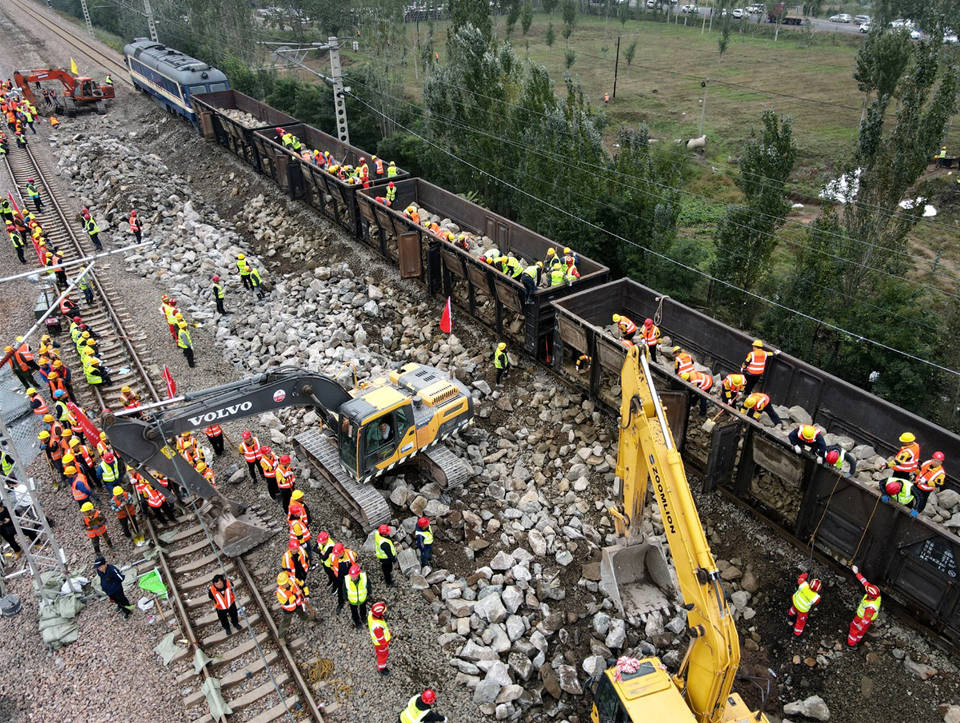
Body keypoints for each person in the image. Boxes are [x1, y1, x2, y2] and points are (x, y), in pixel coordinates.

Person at [847, 565, 881, 647]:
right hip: (867, 620)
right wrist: (857, 573)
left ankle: (851, 644)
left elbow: (866, 618)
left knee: (854, 628)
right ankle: (858, 639)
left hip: (861, 618)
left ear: (870, 595)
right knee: (862, 630)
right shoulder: (876, 596)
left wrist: (860, 624)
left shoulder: (871, 607)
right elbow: (864, 582)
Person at [276, 571, 315, 640]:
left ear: (288, 580)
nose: (283, 585)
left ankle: (308, 621)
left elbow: (303, 585)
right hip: (288, 610)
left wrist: (306, 595)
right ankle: (281, 637)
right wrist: (296, 595)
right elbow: (287, 602)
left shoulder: (293, 580)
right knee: (286, 622)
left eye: (285, 584)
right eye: (282, 584)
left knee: (302, 614)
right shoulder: (279, 592)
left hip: (298, 604)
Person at [787, 572, 822, 637]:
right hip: (802, 610)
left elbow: (800, 579)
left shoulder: (804, 584)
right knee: (801, 621)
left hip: (795, 601)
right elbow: (816, 603)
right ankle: (797, 633)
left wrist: (805, 574)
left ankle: (790, 616)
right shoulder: (816, 597)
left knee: (793, 609)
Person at [368, 601, 391, 675]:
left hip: (378, 643)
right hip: (381, 644)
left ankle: (381, 663)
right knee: (383, 655)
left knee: (380, 653)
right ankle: (382, 668)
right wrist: (385, 646)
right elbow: (380, 639)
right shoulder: (377, 626)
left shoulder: (371, 614)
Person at [345, 563, 369, 628]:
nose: (353, 577)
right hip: (352, 601)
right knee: (354, 612)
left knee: (363, 609)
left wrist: (368, 593)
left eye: (355, 576)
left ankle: (363, 617)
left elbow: (368, 585)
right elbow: (344, 589)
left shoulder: (364, 577)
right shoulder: (346, 580)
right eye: (352, 576)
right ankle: (357, 622)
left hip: (362, 598)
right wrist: (346, 599)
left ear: (358, 574)